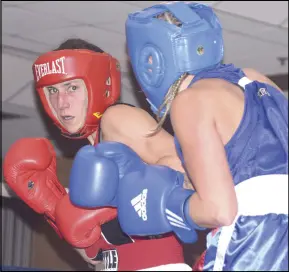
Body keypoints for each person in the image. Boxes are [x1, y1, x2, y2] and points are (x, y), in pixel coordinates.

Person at [68, 2, 288, 271]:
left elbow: (219, 210)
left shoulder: (190, 101)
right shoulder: (255, 79)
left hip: (254, 240)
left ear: (151, 59)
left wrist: (165, 204)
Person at [3, 38, 192, 271]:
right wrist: (54, 207)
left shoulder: (118, 119)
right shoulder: (92, 163)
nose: (61, 103)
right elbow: (97, 257)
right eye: (53, 91)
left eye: (72, 87)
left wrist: (129, 199)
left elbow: (190, 170)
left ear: (96, 84)